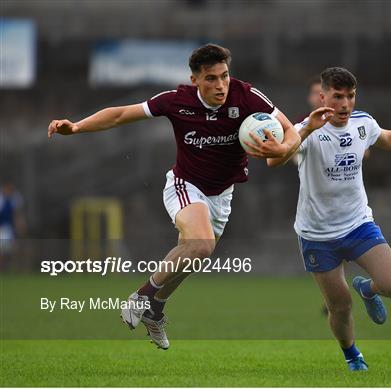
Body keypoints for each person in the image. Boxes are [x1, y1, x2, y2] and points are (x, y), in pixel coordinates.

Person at [48, 43, 300, 350]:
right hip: (185, 185)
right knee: (201, 245)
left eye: (224, 76)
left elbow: (290, 130)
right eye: (211, 78)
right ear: (195, 80)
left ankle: (155, 308)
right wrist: (76, 127)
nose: (220, 85)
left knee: (191, 259)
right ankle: (141, 296)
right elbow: (119, 115)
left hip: (222, 195)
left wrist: (283, 148)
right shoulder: (175, 101)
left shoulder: (246, 96)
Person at [262, 67, 391, 371]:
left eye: (350, 96)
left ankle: (367, 289)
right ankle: (352, 356)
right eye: (337, 97)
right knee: (340, 307)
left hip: (358, 225)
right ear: (322, 97)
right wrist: (305, 131)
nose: (345, 104)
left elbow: (386, 138)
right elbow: (274, 159)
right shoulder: (305, 129)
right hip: (317, 235)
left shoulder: (362, 123)